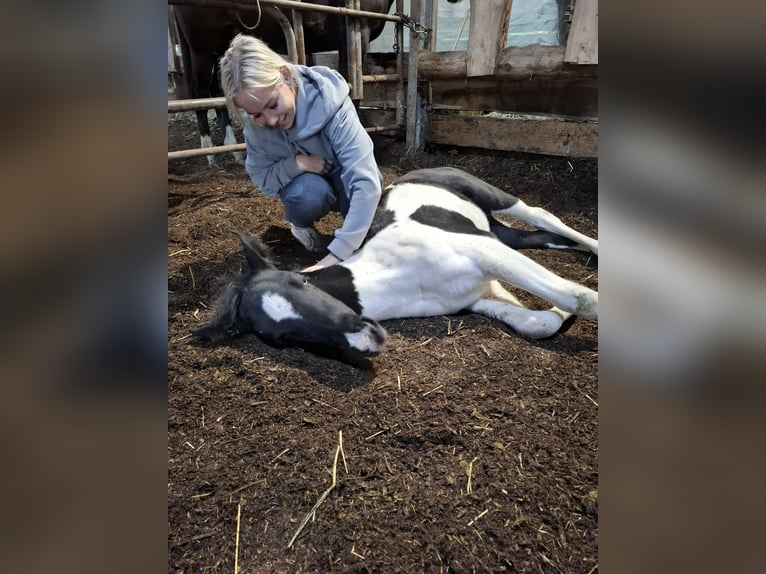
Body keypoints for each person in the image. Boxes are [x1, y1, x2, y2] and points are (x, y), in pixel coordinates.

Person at [219, 34, 383, 272]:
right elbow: (262, 179)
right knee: (304, 193)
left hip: (345, 179)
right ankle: (301, 226)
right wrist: (298, 164)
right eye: (257, 115)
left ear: (285, 76)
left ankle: (353, 237)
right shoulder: (256, 128)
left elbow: (365, 181)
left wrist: (337, 255)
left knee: (371, 186)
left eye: (273, 104)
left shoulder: (331, 101)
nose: (271, 120)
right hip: (311, 187)